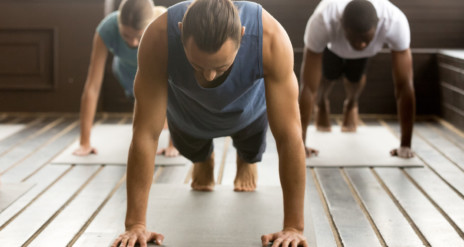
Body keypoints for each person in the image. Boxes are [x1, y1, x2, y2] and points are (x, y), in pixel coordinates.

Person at [111, 0, 308, 246]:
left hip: (247, 112)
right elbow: (146, 134)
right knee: (193, 147)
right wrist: (135, 225)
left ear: (243, 35)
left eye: (221, 66)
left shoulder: (270, 38)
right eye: (198, 65)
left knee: (251, 146)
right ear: (180, 30)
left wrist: (294, 227)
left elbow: (290, 136)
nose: (209, 75)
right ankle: (202, 157)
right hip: (188, 115)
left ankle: (246, 158)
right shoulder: (158, 38)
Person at [299, 0, 416, 158]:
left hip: (365, 54)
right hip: (332, 47)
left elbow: (404, 86)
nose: (360, 45)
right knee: (327, 77)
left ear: (378, 25)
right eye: (355, 40)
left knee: (355, 78)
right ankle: (322, 104)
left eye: (365, 40)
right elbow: (307, 87)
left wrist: (405, 145)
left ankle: (351, 104)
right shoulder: (323, 20)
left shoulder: (394, 21)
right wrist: (299, 144)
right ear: (341, 24)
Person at [73, 0, 178, 157]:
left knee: (158, 108)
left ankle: (162, 118)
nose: (133, 42)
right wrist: (84, 143)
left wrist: (173, 145)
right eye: (126, 36)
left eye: (139, 36)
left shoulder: (164, 26)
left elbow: (176, 85)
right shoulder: (107, 28)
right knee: (143, 111)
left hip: (156, 75)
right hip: (126, 75)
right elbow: (92, 87)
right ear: (118, 23)